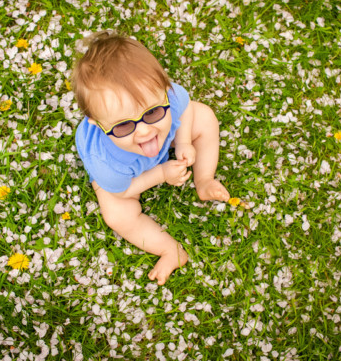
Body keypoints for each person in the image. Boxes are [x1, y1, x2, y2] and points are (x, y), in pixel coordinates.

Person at [73, 31, 230, 285]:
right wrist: (162, 174)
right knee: (116, 213)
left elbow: (187, 109)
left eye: (153, 111)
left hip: (167, 137)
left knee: (205, 117)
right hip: (126, 177)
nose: (144, 131)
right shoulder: (106, 161)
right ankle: (170, 250)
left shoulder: (170, 98)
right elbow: (124, 191)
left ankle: (204, 181)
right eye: (124, 126)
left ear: (165, 89)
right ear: (98, 124)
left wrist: (184, 141)